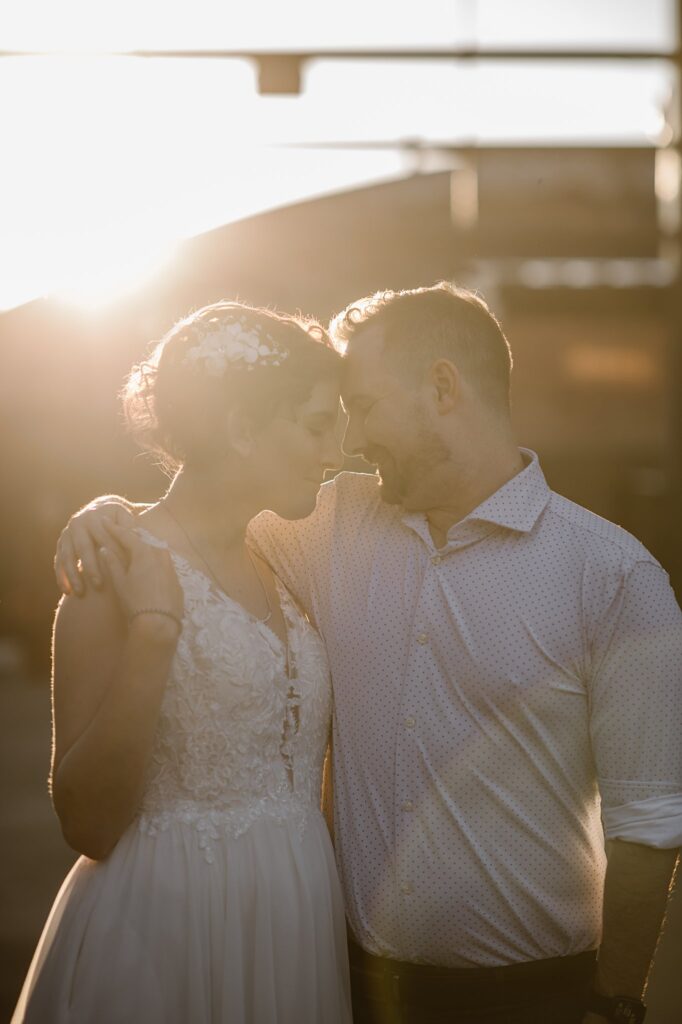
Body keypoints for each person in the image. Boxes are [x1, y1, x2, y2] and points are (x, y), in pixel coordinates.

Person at [55, 283, 682, 1024]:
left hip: (537, 997)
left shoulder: (612, 576)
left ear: (442, 387)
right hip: (346, 982)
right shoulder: (327, 519)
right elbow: (199, 514)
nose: (350, 440)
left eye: (367, 406)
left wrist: (614, 1005)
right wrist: (106, 515)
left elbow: (648, 821)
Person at [14, 302, 352, 1024]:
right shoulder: (113, 565)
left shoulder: (285, 551)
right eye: (318, 423)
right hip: (164, 931)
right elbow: (89, 824)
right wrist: (155, 633)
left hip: (293, 921)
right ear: (240, 428)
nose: (337, 449)